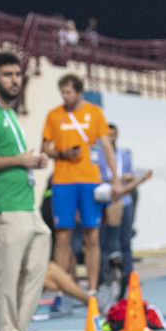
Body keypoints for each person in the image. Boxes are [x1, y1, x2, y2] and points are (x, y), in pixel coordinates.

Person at [0, 53, 51, 331]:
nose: (15, 80)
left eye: (18, 74)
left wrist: (32, 162)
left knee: (34, 270)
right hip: (2, 205)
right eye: (8, 75)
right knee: (7, 274)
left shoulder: (11, 115)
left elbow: (14, 160)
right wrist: (21, 159)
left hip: (26, 204)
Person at [41, 72, 116, 294]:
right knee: (62, 235)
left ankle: (92, 288)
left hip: (90, 180)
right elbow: (45, 147)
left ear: (79, 92)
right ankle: (60, 289)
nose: (65, 96)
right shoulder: (54, 115)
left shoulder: (95, 112)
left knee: (91, 234)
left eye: (68, 92)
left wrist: (115, 178)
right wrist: (61, 153)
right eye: (62, 92)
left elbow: (106, 146)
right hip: (63, 181)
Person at [94, 123, 152, 289]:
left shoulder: (124, 155)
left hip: (124, 201)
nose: (111, 138)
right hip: (105, 201)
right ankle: (104, 278)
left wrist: (129, 178)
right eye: (108, 135)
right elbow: (97, 178)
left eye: (113, 135)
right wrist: (114, 180)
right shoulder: (97, 156)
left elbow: (130, 174)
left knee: (125, 241)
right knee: (104, 243)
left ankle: (129, 277)